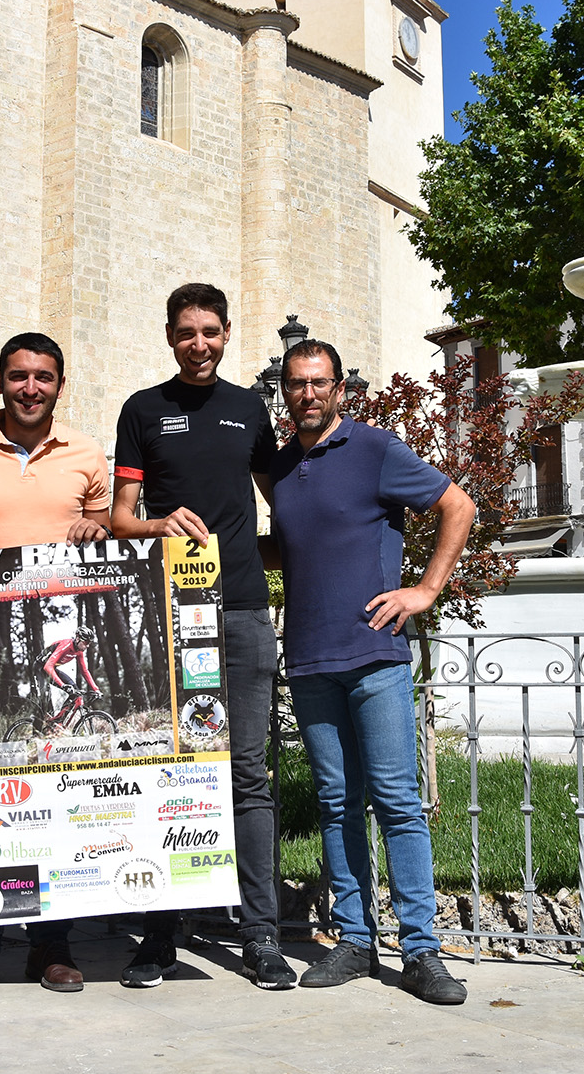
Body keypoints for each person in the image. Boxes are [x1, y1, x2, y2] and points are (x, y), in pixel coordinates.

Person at [268, 338, 474, 1005]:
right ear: (284, 389)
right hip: (308, 659)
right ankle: (355, 941)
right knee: (337, 804)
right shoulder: (278, 467)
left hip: (376, 655)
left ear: (340, 388)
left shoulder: (375, 449)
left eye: (319, 382)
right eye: (297, 383)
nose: (308, 393)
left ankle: (422, 950)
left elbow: (458, 506)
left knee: (397, 804)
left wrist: (425, 590)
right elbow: (291, 546)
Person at [109, 283, 296, 990]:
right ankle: (159, 935)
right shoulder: (142, 410)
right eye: (187, 332)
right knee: (169, 771)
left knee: (248, 775)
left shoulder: (251, 410)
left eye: (211, 332)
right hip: (166, 613)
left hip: (244, 611)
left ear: (227, 334)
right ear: (168, 335)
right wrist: (158, 524)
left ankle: (261, 938)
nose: (199, 343)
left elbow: (286, 498)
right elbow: (119, 515)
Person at [0, 331, 111, 994]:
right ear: (0, 380)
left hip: (62, 656)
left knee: (56, 796)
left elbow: (101, 541)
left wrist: (98, 529)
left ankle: (51, 946)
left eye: (43, 376)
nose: (30, 387)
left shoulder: (88, 455)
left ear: (60, 384)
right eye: (18, 376)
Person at [42, 628, 102, 719]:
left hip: (52, 670)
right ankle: (37, 731)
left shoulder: (79, 652)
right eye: (86, 643)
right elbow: (47, 666)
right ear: (77, 639)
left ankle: (58, 722)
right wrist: (62, 685)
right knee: (42, 702)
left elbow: (84, 671)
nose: (88, 646)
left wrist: (96, 689)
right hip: (40, 669)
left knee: (75, 693)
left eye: (89, 643)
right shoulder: (66, 645)